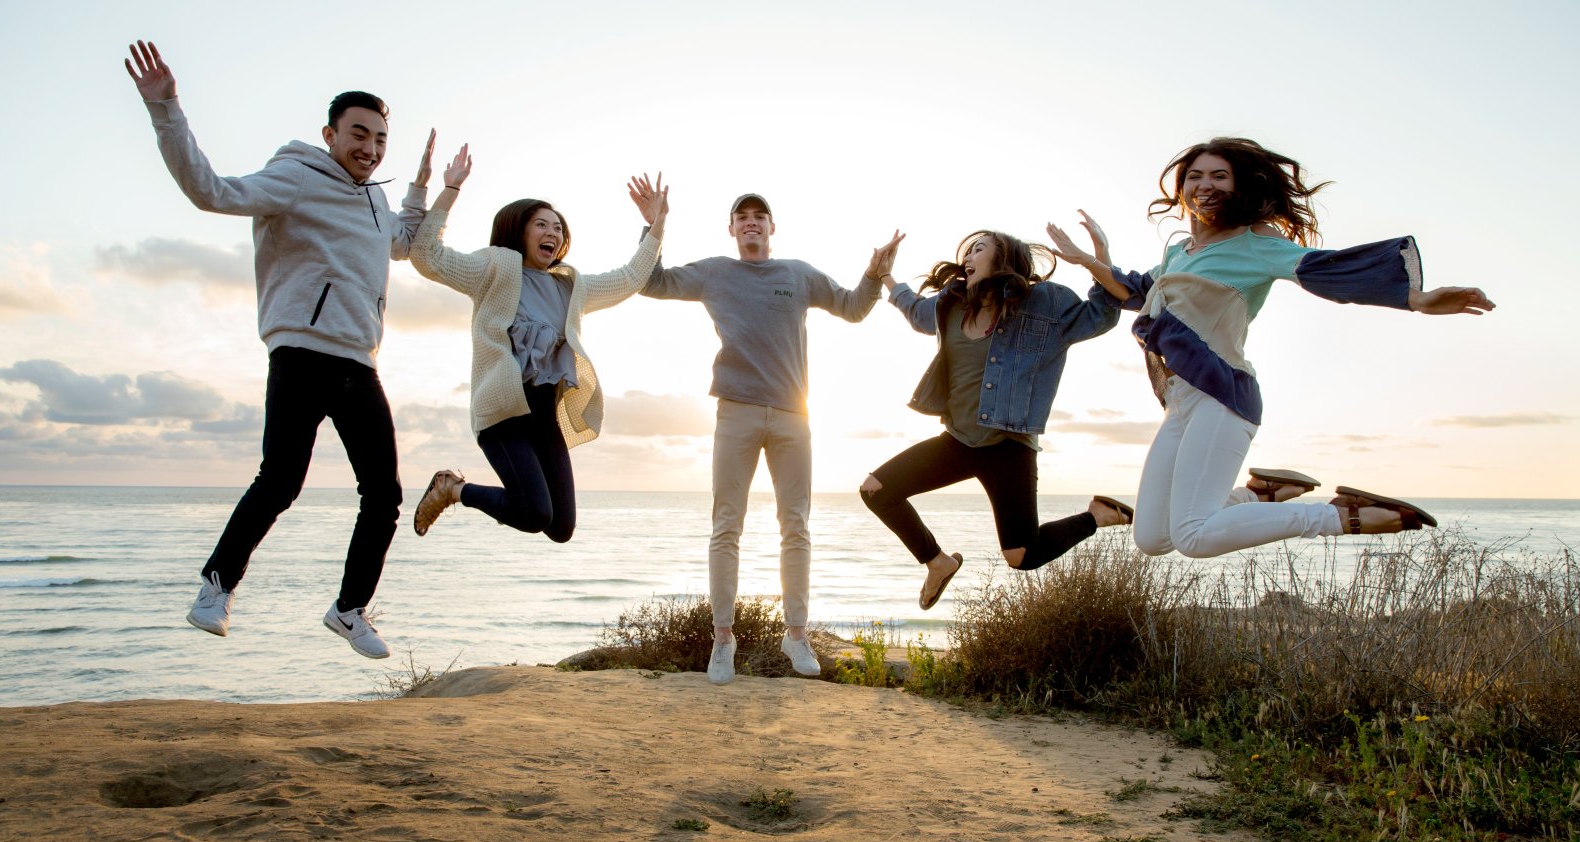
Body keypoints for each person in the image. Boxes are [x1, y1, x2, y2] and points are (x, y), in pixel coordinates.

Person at [124, 40, 439, 659]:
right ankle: (216, 588)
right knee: (281, 480)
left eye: (379, 140)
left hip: (360, 363)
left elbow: (401, 242)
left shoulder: (375, 198)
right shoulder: (296, 177)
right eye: (358, 135)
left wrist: (427, 186)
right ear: (329, 133)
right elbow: (211, 191)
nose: (370, 149)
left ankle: (350, 609)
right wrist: (167, 110)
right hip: (301, 353)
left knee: (385, 494)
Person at [1046, 137, 1494, 558]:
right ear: (1182, 188)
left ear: (1240, 185)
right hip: (1178, 403)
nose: (1205, 184)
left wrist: (1415, 299)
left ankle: (1341, 515)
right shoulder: (1179, 253)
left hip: (1221, 397)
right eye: (1195, 175)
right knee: (1152, 538)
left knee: (1194, 537)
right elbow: (1136, 293)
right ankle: (1260, 494)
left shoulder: (1257, 245)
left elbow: (1321, 269)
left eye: (1219, 175)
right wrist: (1093, 260)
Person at [639, 194, 901, 684]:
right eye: (743, 218)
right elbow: (651, 282)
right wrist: (655, 228)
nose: (751, 223)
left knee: (796, 524)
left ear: (772, 227)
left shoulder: (797, 274)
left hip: (792, 415)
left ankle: (795, 635)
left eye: (759, 217)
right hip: (734, 411)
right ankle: (723, 640)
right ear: (732, 230)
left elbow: (852, 308)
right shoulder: (715, 272)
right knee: (726, 526)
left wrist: (873, 274)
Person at [860, 230, 1134, 609]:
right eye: (967, 249)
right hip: (958, 440)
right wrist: (885, 276)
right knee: (876, 490)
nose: (968, 255)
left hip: (1009, 446)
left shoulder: (1044, 305)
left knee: (1022, 556)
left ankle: (1096, 516)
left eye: (979, 248)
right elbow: (914, 309)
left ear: (1003, 259)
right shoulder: (949, 305)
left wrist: (1098, 259)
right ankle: (938, 563)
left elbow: (1102, 315)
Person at [407, 152, 669, 542]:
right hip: (503, 416)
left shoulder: (571, 287)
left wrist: (656, 225)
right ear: (519, 230)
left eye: (558, 228)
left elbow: (631, 278)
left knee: (560, 527)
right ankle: (453, 489)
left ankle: (456, 489)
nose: (553, 233)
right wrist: (450, 190)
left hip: (545, 419)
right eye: (541, 225)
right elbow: (427, 257)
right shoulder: (494, 269)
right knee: (533, 513)